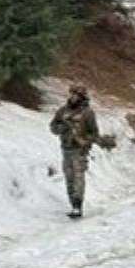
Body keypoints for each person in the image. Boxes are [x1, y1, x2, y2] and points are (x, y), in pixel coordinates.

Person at [50, 85, 100, 219]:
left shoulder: (88, 113)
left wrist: (84, 140)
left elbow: (94, 133)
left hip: (79, 151)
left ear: (82, 96)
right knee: (69, 179)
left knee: (78, 178)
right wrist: (61, 128)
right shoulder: (63, 111)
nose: (73, 97)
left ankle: (77, 205)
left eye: (76, 95)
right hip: (66, 149)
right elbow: (53, 126)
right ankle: (73, 204)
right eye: (71, 94)